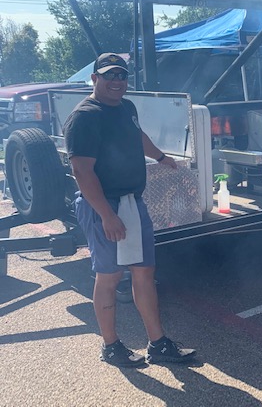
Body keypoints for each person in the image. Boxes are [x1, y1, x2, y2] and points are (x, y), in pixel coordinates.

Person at [64, 53, 196, 366]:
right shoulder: (84, 117)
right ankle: (111, 347)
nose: (116, 81)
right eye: (109, 75)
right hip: (104, 205)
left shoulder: (126, 107)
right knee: (109, 276)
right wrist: (107, 216)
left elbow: (138, 136)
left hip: (132, 202)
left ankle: (158, 344)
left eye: (121, 76)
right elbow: (82, 171)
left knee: (144, 272)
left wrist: (161, 157)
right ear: (94, 78)